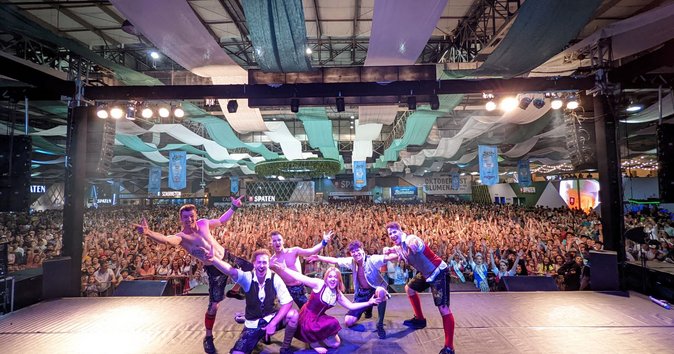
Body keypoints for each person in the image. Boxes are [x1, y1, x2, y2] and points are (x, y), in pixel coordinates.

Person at [134, 196, 244, 354]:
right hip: (213, 268)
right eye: (185, 217)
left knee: (252, 271)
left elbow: (221, 221)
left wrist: (234, 207)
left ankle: (234, 290)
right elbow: (165, 240)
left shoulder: (204, 223)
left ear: (196, 215)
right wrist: (148, 232)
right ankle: (208, 337)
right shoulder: (182, 237)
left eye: (191, 215)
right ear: (181, 219)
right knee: (214, 306)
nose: (189, 219)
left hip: (226, 256)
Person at [271, 261, 384, 353]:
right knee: (322, 342)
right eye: (330, 276)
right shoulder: (319, 284)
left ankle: (316, 337)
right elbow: (300, 277)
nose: (332, 279)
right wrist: (285, 269)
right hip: (307, 317)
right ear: (326, 277)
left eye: (335, 277)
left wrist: (369, 303)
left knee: (336, 344)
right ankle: (312, 342)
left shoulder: (338, 294)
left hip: (319, 317)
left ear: (339, 279)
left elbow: (351, 306)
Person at [207, 249, 298, 354]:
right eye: (259, 262)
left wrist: (273, 323)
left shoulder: (275, 278)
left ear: (268, 264)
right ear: (254, 263)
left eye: (264, 262)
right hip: (253, 324)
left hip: (271, 318)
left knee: (293, 315)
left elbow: (288, 302)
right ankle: (257, 332)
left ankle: (285, 348)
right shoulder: (247, 277)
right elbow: (231, 271)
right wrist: (213, 260)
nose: (261, 265)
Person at [384, 222, 455, 354]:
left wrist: (411, 247)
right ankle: (420, 320)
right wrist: (388, 251)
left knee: (443, 308)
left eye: (394, 232)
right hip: (425, 273)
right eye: (390, 234)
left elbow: (416, 245)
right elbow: (397, 252)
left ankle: (449, 348)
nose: (393, 235)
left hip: (438, 272)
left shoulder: (411, 239)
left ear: (400, 231)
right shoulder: (399, 247)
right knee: (409, 289)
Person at [306, 240, 393, 339]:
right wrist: (318, 257)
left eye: (357, 250)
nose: (356, 253)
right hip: (362, 293)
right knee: (348, 321)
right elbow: (335, 260)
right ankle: (367, 309)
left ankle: (380, 323)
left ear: (362, 250)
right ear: (351, 254)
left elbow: (388, 258)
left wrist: (397, 250)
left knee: (381, 291)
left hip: (375, 290)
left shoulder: (372, 259)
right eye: (353, 252)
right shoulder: (351, 261)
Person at [270, 230, 334, 309]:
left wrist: (324, 242)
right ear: (271, 243)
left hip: (299, 287)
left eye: (279, 240)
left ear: (283, 241)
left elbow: (311, 251)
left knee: (308, 310)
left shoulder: (293, 251)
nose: (277, 242)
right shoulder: (271, 261)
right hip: (285, 290)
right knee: (286, 315)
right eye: (274, 241)